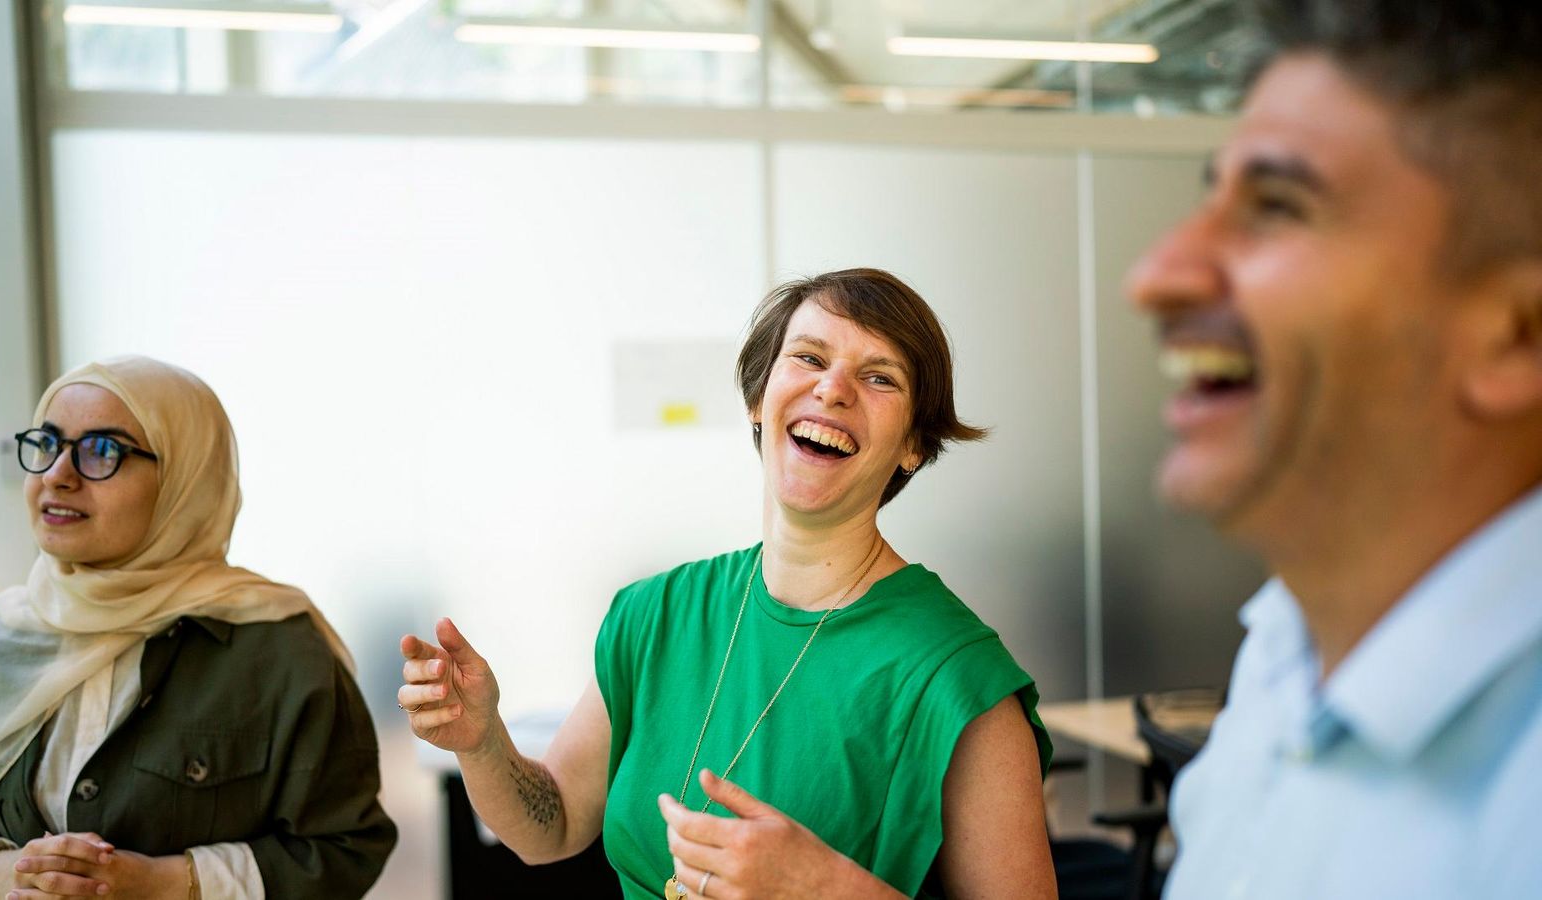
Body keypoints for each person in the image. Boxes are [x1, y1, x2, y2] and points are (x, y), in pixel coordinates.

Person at [400, 269, 1056, 899]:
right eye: (808, 357)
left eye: (878, 375)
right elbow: (555, 826)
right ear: (756, 399)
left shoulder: (958, 683)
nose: (833, 389)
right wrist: (482, 742)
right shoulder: (653, 616)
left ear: (914, 443)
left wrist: (825, 890)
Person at [1125, 0, 1542, 896]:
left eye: (1278, 206)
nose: (1156, 276)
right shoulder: (1283, 652)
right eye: (1212, 197)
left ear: (1517, 336)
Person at [0, 356, 396, 899]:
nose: (57, 475)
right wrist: (2, 881)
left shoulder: (279, 647)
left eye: (102, 451)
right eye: (47, 443)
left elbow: (343, 848)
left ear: (185, 481)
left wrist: (161, 884)